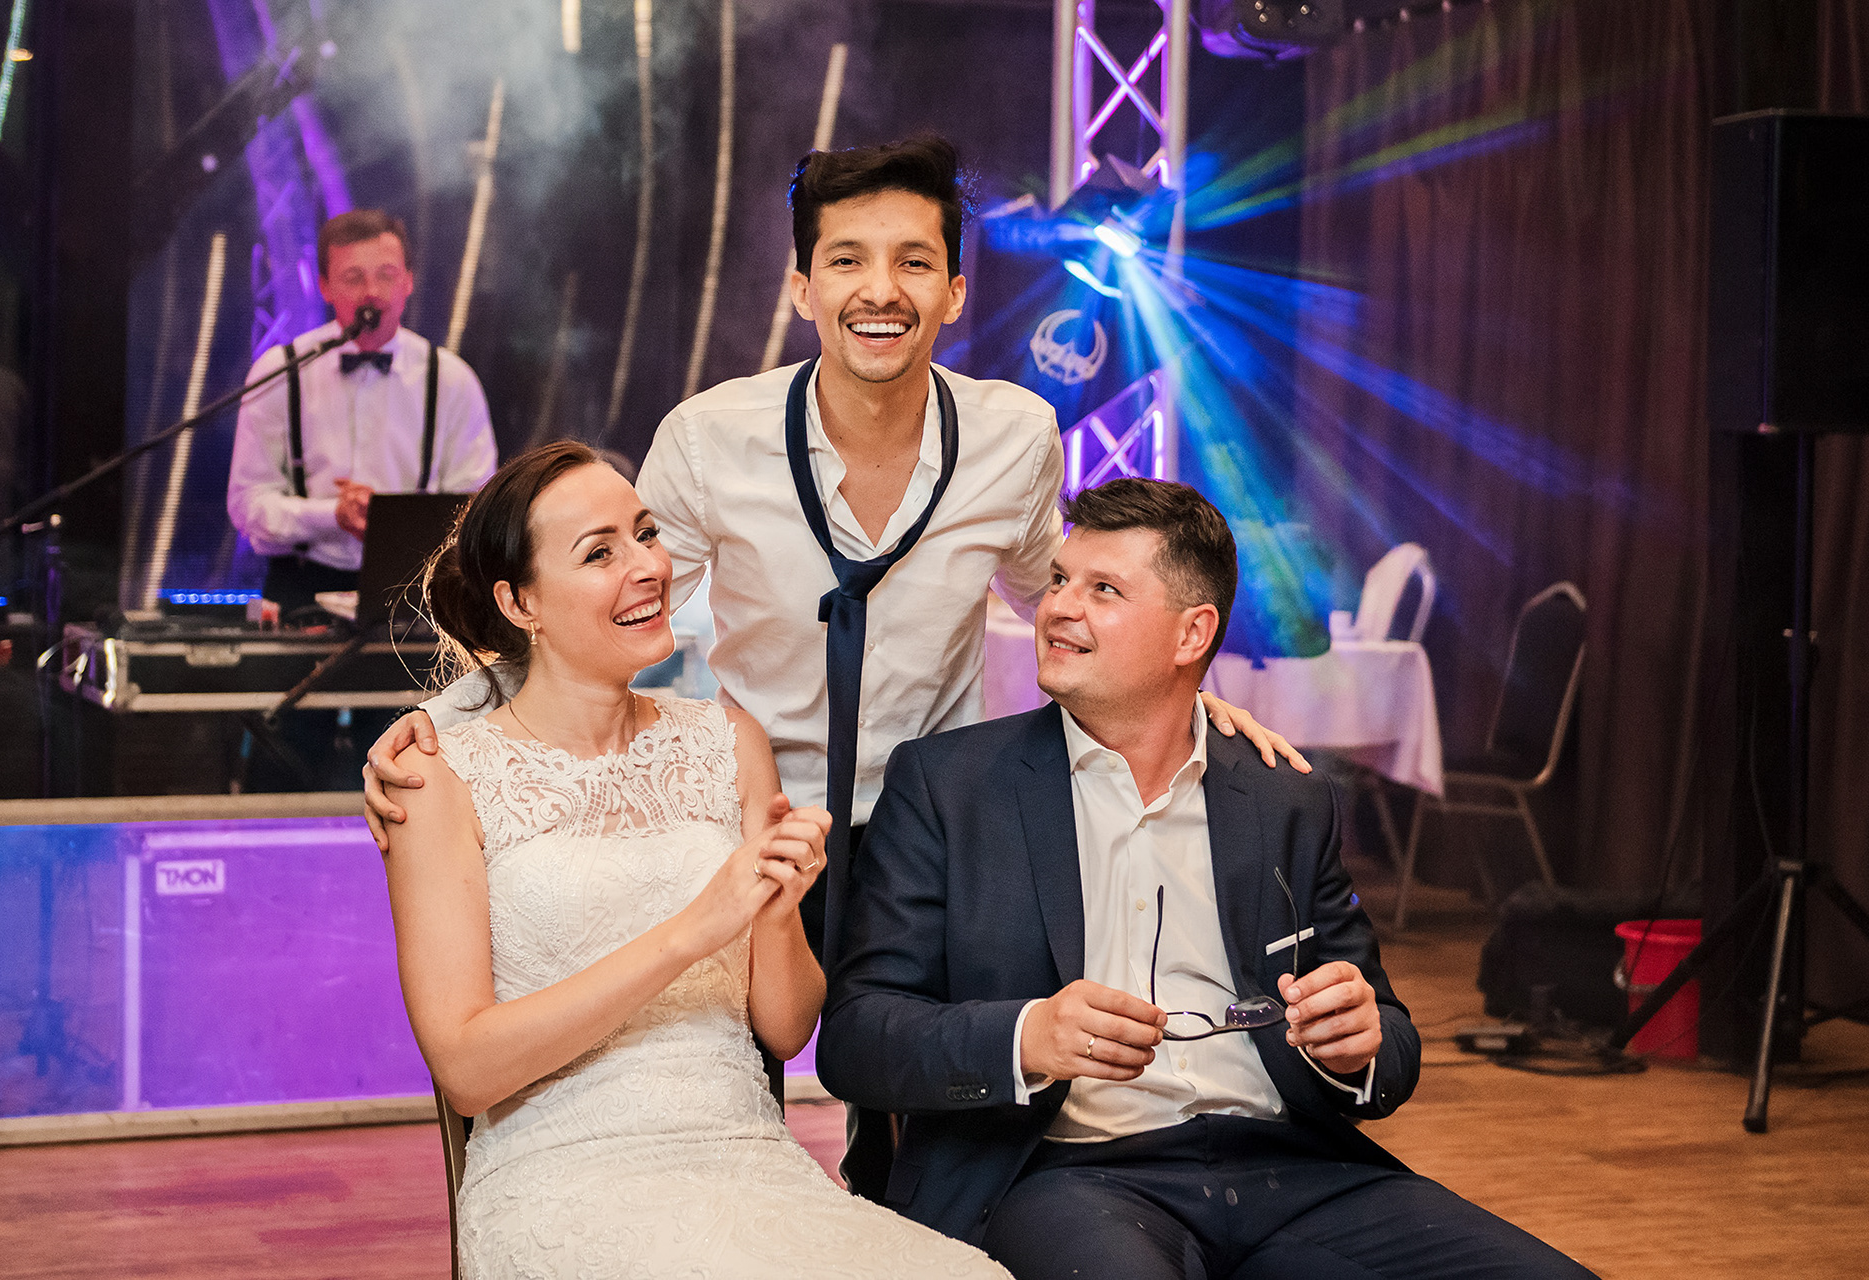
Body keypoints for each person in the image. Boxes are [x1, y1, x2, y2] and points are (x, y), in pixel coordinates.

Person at [363, 135, 1304, 1195]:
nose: (880, 289)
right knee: (729, 1094)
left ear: (955, 292)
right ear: (802, 286)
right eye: (847, 259)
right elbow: (600, 606)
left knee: (930, 1128)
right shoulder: (710, 438)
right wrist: (452, 720)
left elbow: (1067, 598)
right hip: (759, 819)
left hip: (941, 826)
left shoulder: (1015, 434)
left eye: (914, 261)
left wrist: (1191, 698)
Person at [818, 477, 1598, 1280]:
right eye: (1058, 580)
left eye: (1103, 589)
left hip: (1293, 1168)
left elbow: (1388, 1041)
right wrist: (1029, 1036)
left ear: (1192, 633)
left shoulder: (1283, 798)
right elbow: (855, 1038)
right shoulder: (949, 787)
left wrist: (1357, 1045)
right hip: (1071, 1174)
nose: (1056, 608)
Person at [381, 440, 1010, 1278]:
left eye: (645, 534)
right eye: (600, 553)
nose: (648, 567)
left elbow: (786, 1029)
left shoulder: (727, 740)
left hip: (749, 1163)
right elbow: (466, 1070)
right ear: (520, 601)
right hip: (562, 1178)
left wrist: (776, 906)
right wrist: (693, 931)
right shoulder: (437, 777)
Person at [227, 208, 497, 613]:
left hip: (418, 592)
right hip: (299, 588)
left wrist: (392, 521)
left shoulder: (452, 380)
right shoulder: (280, 372)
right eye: (353, 277)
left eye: (386, 275)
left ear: (408, 281)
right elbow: (247, 505)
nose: (372, 291)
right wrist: (330, 515)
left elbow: (476, 512)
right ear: (324, 286)